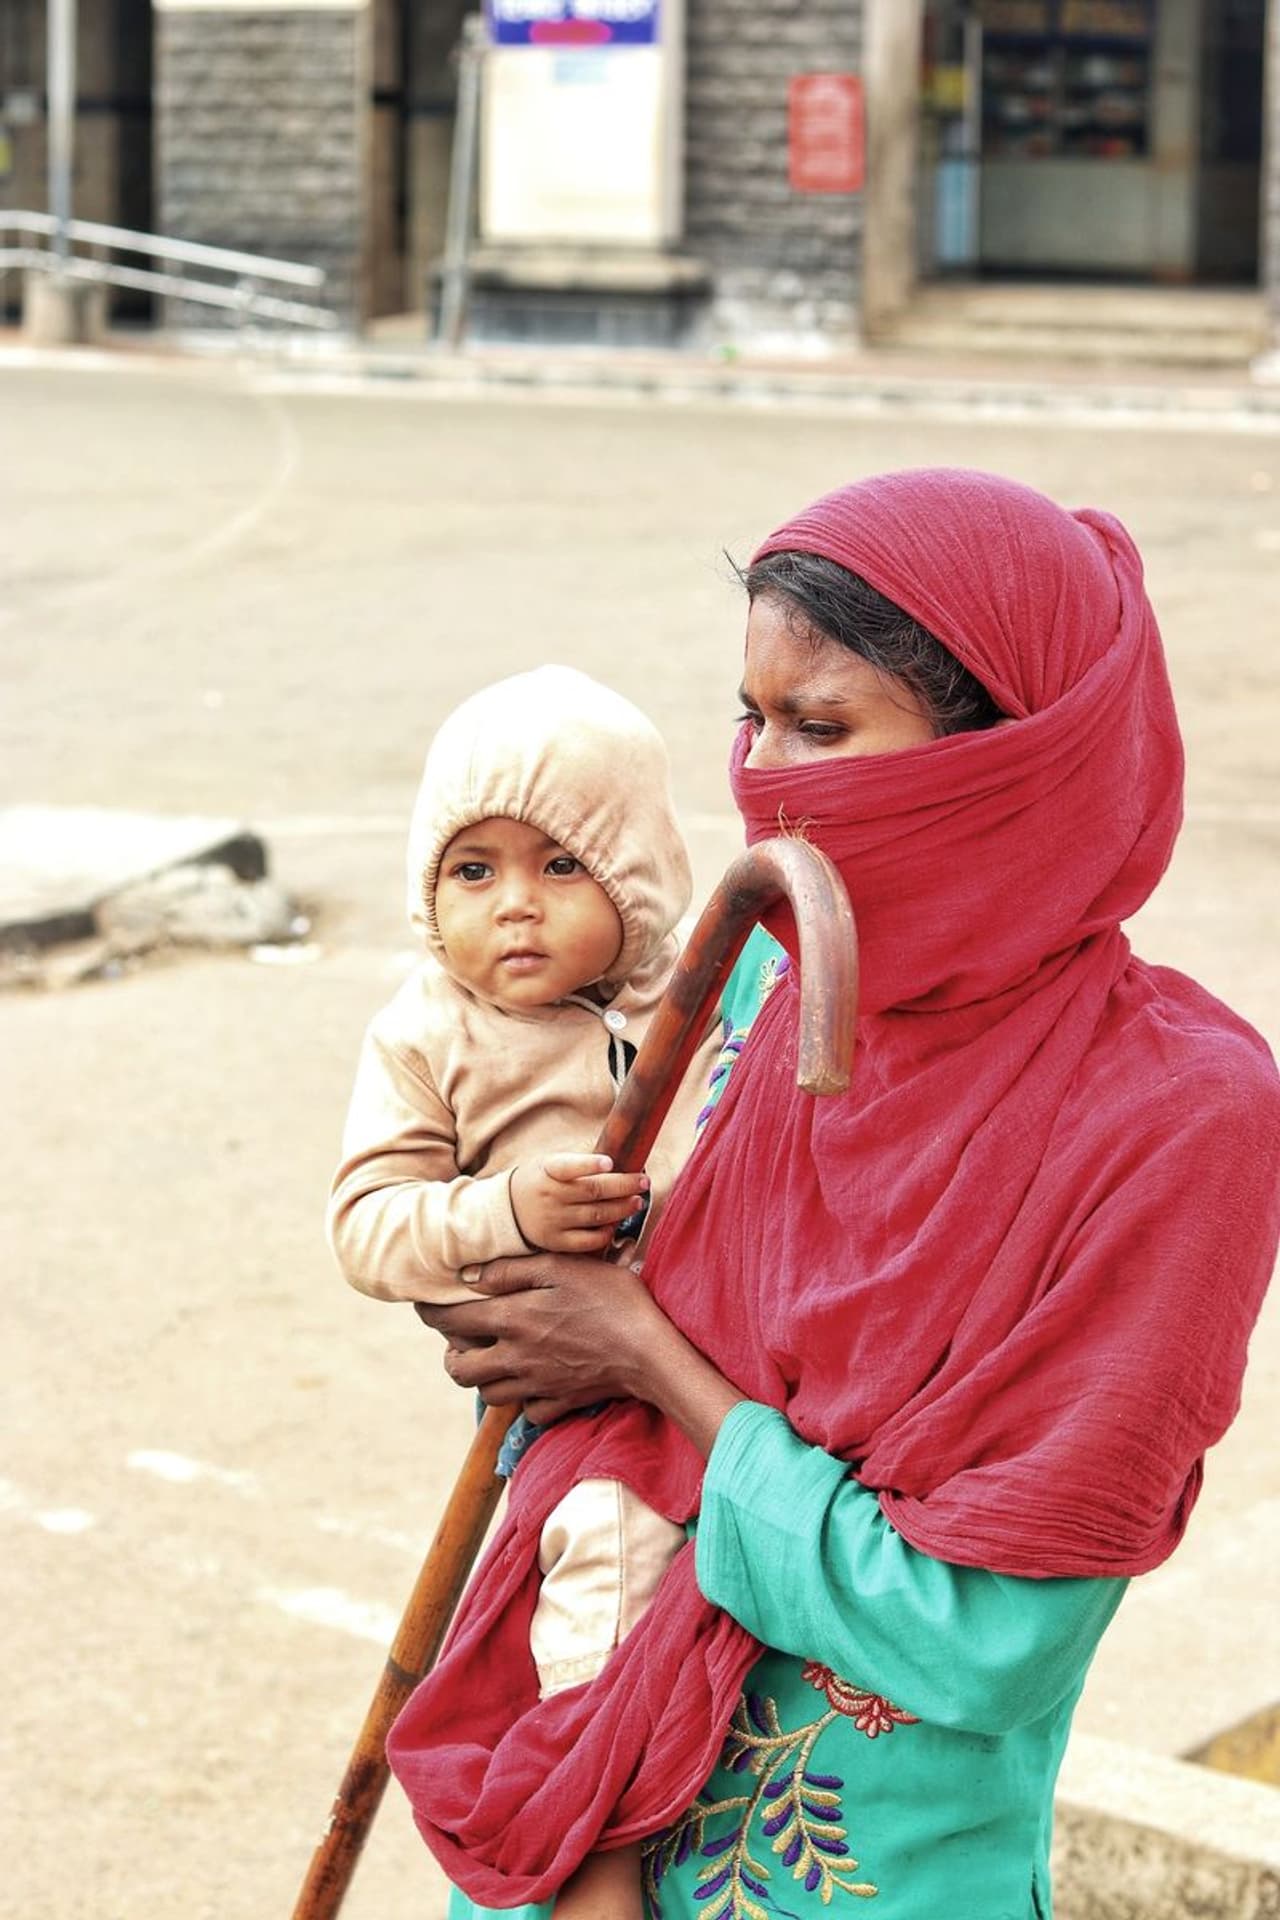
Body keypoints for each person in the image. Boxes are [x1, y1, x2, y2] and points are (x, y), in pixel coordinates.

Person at [389, 470, 1280, 1920]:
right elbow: (578, 1374)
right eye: (750, 719)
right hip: (561, 1833)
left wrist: (643, 1356)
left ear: (1009, 760)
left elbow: (983, 1645)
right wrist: (512, 1284)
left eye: (820, 727)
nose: (764, 778)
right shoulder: (756, 982)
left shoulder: (1176, 1115)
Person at [327, 664, 722, 1920]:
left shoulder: (702, 998)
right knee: (606, 1570)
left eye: (560, 865)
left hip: (713, 1359)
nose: (513, 906)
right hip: (566, 1400)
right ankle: (586, 1854)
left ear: (635, 879)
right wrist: (503, 1212)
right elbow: (367, 1228)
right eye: (471, 870)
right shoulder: (426, 1032)